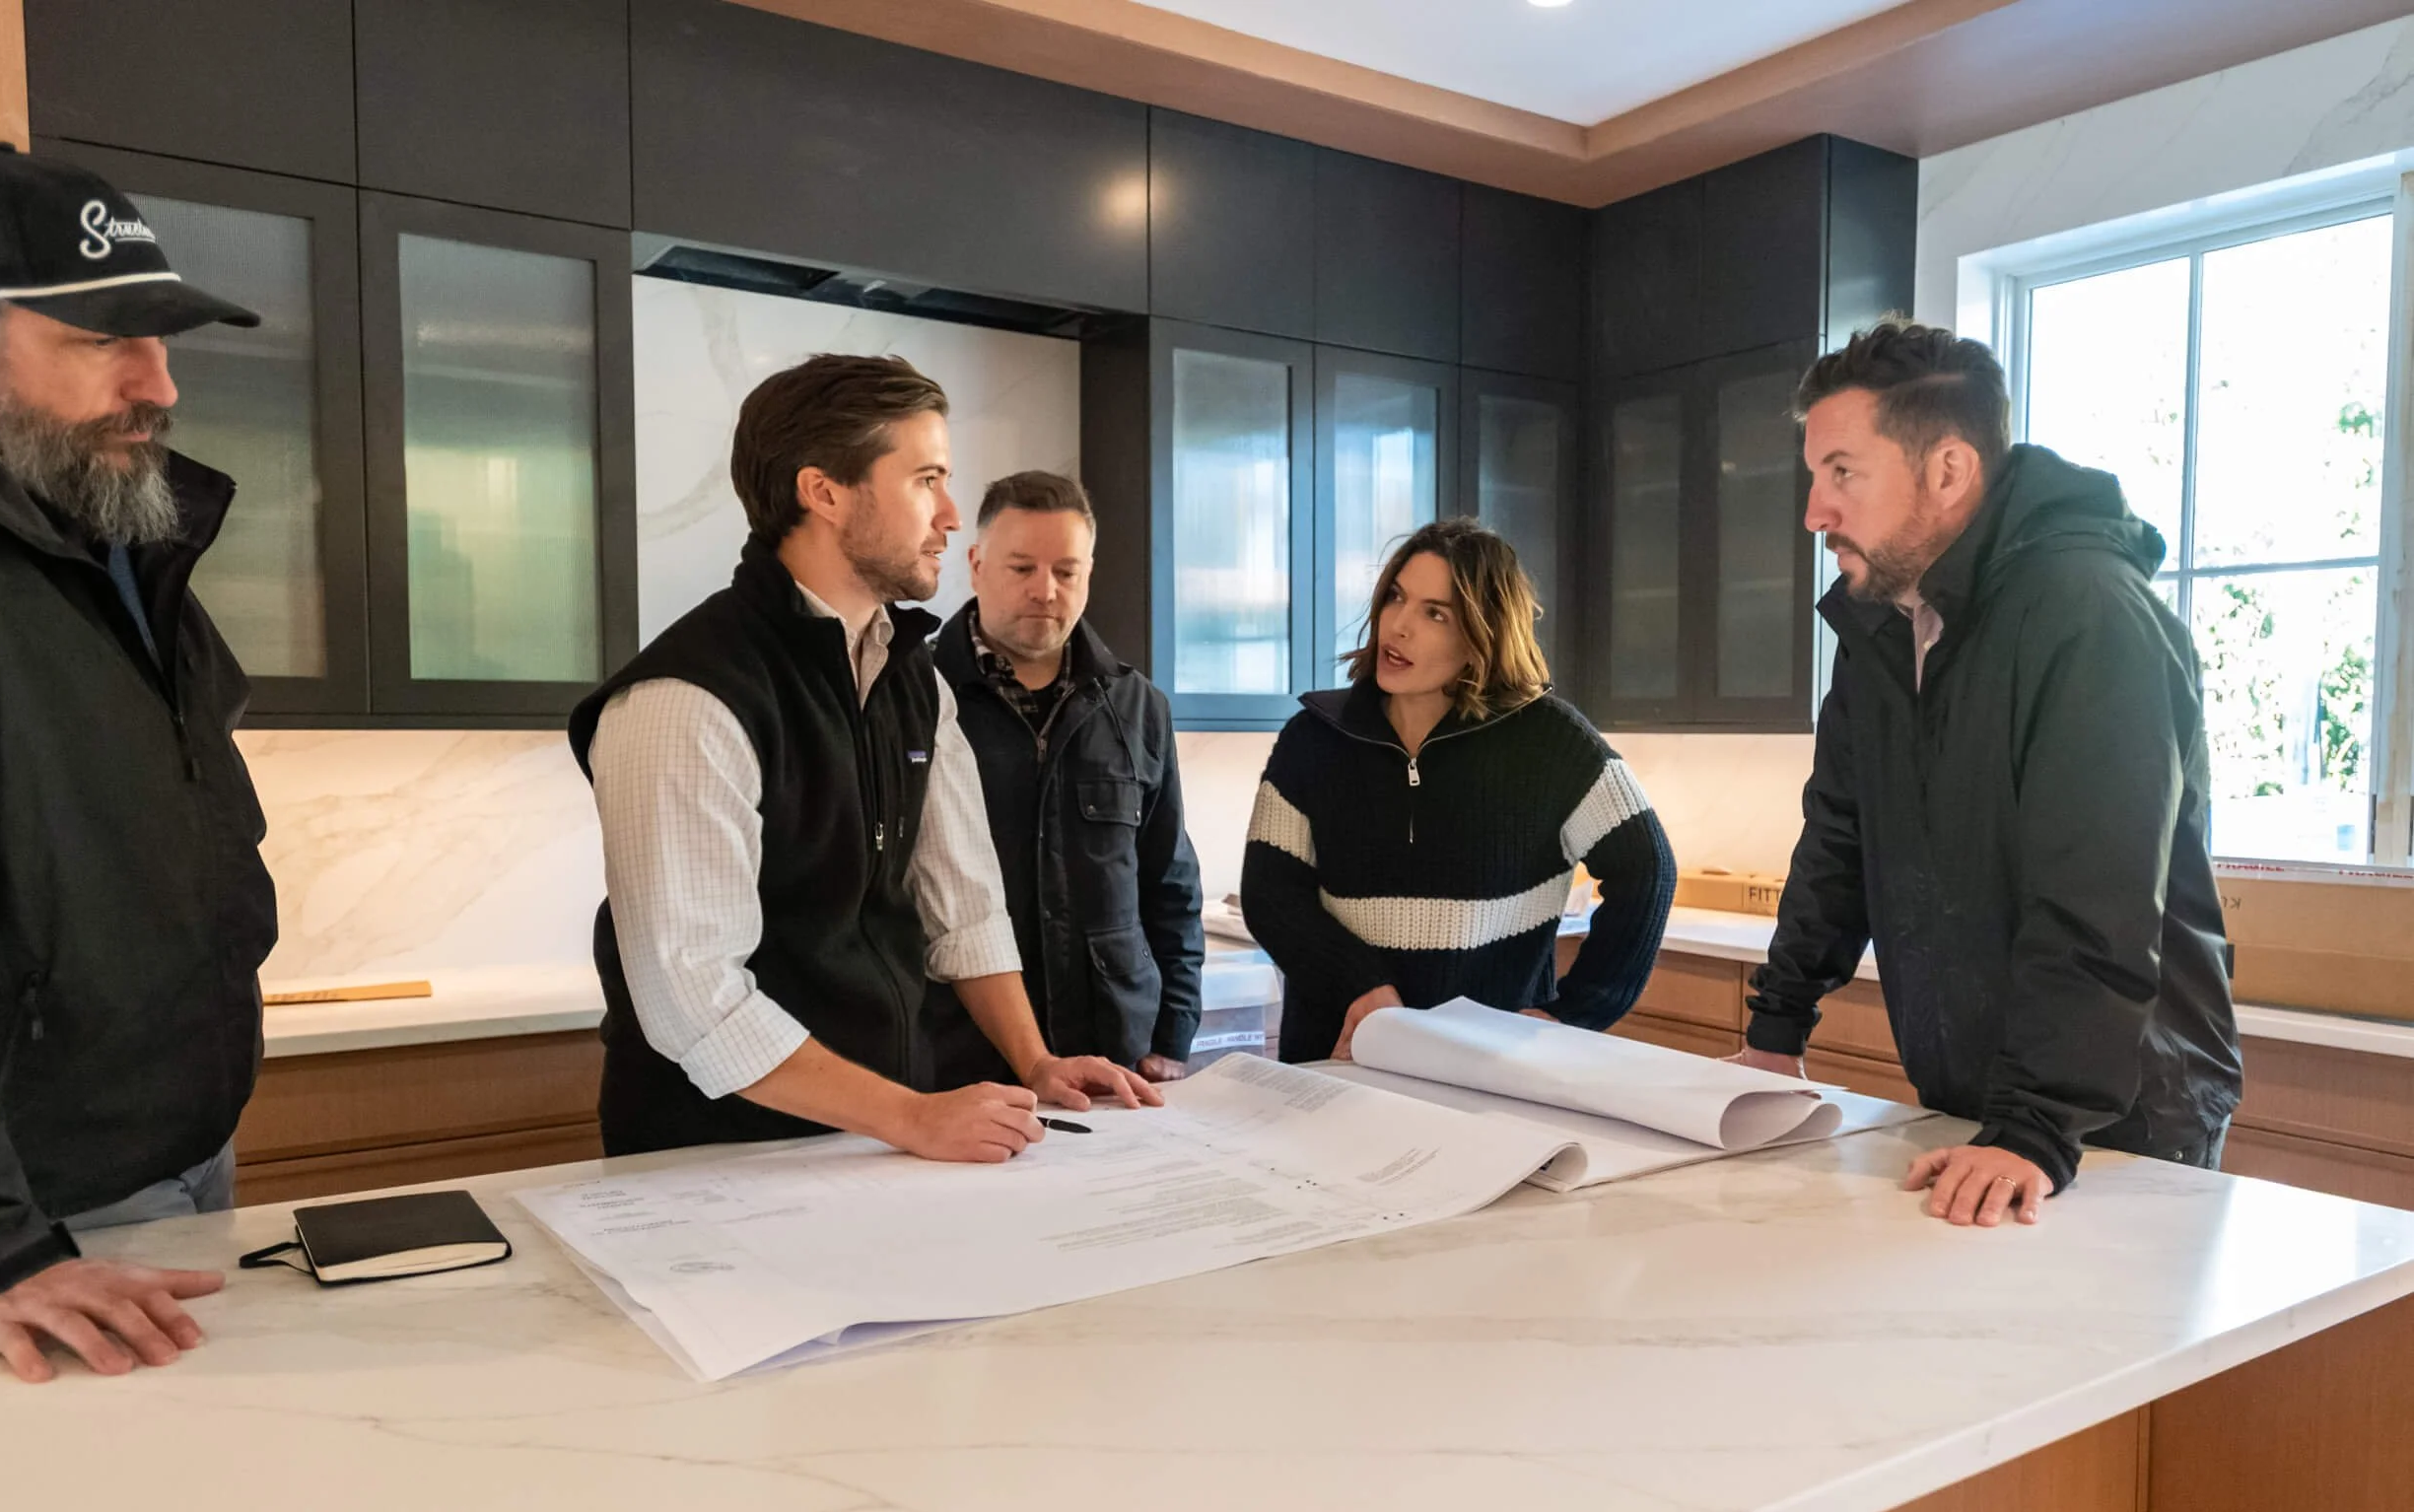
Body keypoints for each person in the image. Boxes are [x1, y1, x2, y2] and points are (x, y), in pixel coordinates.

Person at [572, 355, 1156, 1165]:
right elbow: (694, 1000)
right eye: (927, 479)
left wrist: (1037, 1061)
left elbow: (967, 910)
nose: (952, 515)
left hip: (877, 1139)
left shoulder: (913, 675)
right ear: (825, 492)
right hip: (717, 1158)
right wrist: (911, 1117)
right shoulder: (686, 697)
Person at [1731, 319, 2242, 1228]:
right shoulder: (1885, 627)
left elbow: (2101, 895)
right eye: (1816, 477)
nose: (1815, 510)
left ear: (1950, 471)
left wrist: (2037, 1126)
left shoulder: (2090, 617)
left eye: (1842, 472)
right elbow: (1841, 838)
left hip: (2121, 1120)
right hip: (1986, 1104)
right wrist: (1776, 1030)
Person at [0, 146, 278, 1382]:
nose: (160, 383)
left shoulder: (120, 538)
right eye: (104, 338)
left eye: (165, 335)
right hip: (26, 1225)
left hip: (177, 1160)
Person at [1242, 517, 1677, 1065]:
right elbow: (1270, 893)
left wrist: (1575, 1014)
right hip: (1339, 1061)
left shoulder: (1551, 743)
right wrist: (1362, 986)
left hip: (1490, 1073)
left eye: (1435, 614)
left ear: (1481, 637)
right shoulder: (1315, 737)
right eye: (1396, 598)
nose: (1398, 626)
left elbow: (1649, 870)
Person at [924, 470, 1204, 1087]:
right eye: (1021, 568)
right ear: (975, 564)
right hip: (955, 1055)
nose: (1045, 591)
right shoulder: (913, 694)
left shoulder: (1138, 705)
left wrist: (1175, 1032)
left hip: (1117, 1052)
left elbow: (1170, 882)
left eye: (1066, 571)